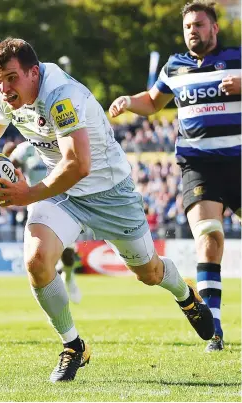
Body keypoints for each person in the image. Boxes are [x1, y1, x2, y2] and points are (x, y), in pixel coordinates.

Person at [0, 37, 214, 382]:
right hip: (61, 194)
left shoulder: (61, 96)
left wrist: (28, 194)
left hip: (109, 193)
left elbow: (78, 165)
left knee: (150, 273)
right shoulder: (7, 95)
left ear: (33, 72)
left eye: (11, 78)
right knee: (37, 261)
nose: (5, 88)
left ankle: (185, 295)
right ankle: (73, 346)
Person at [109, 0, 240, 352]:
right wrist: (127, 101)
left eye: (199, 24)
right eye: (188, 26)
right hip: (198, 164)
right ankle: (214, 327)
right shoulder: (174, 67)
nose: (193, 30)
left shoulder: (238, 57)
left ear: (215, 28)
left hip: (239, 162)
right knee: (209, 238)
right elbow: (152, 102)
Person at [2, 140, 82, 304]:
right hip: (37, 205)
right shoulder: (25, 149)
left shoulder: (62, 142)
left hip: (64, 201)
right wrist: (4, 161)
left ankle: (68, 275)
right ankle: (55, 295)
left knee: (67, 252)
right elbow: (8, 168)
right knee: (42, 254)